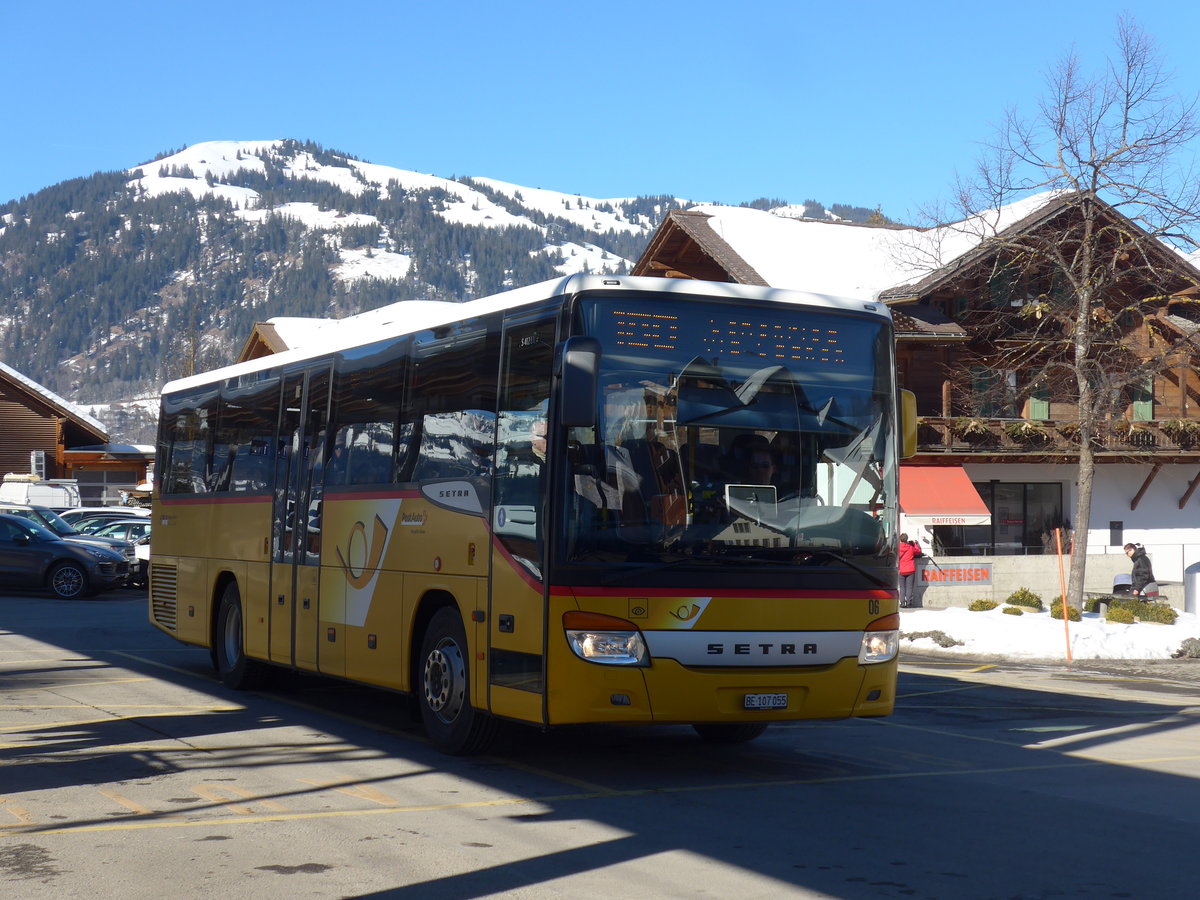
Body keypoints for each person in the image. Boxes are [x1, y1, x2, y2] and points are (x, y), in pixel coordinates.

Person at [897, 532, 923, 608]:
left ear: (900, 539)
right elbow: (918, 551)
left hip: (901, 570)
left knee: (902, 587)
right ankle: (909, 603)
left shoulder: (898, 548)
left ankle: (902, 603)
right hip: (910, 570)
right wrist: (915, 544)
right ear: (907, 539)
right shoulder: (911, 548)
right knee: (909, 587)